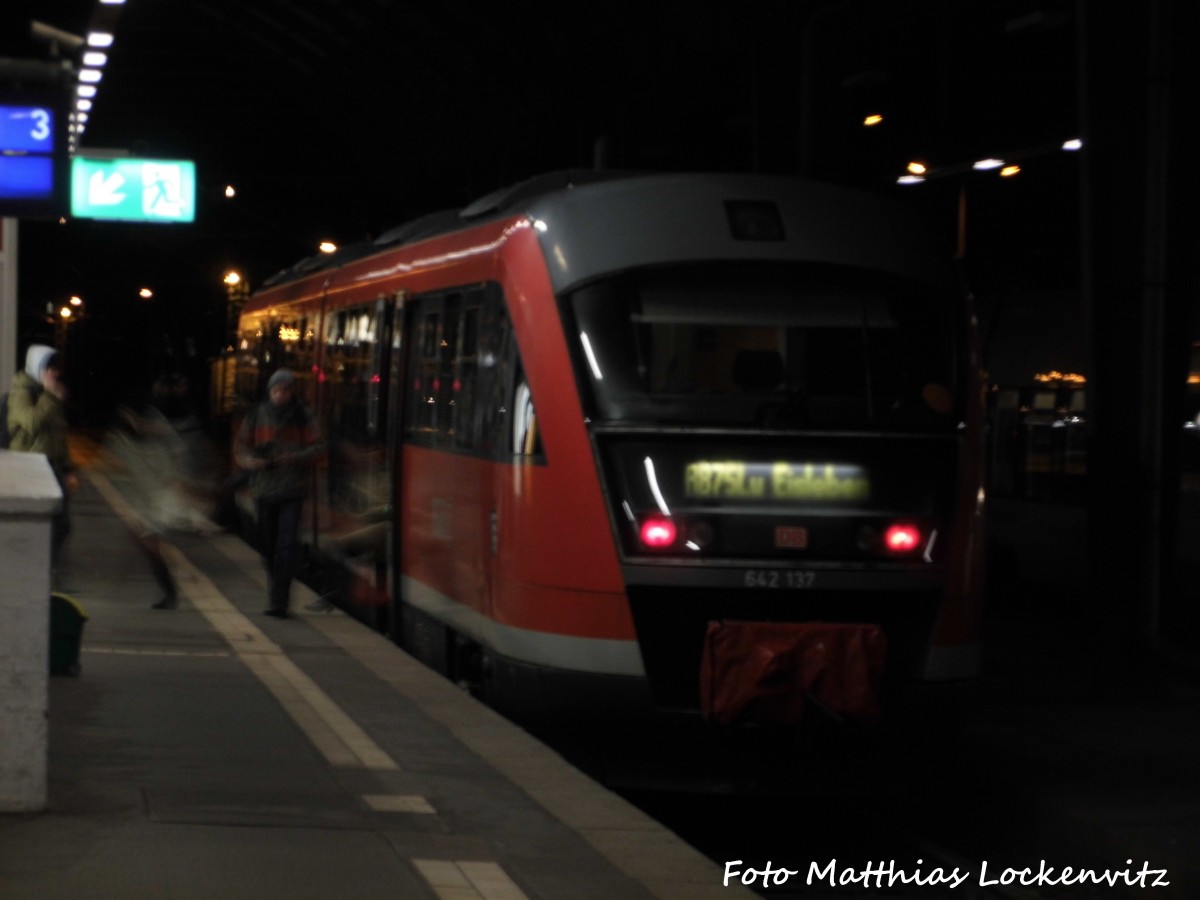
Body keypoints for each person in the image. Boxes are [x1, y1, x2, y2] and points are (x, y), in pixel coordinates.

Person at [233, 368, 322, 618]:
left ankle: (279, 600)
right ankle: (276, 590)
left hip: (292, 490)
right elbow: (240, 448)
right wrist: (251, 462)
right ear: (270, 391)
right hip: (264, 489)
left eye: (285, 390)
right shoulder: (256, 415)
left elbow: (319, 447)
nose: (280, 394)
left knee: (286, 546)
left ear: (292, 392)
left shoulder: (304, 417)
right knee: (268, 547)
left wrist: (294, 457)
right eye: (276, 389)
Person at [6, 344, 75, 566]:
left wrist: (68, 468)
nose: (54, 373)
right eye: (49, 368)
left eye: (56, 369)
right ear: (36, 367)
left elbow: (58, 435)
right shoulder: (21, 392)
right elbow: (30, 422)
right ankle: (35, 567)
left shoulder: (49, 395)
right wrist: (49, 397)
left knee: (62, 524)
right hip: (30, 467)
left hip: (51, 466)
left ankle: (46, 567)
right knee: (42, 522)